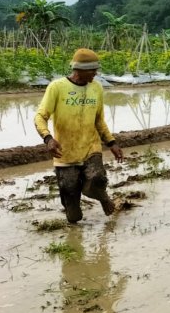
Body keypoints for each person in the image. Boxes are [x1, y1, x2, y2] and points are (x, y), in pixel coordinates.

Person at [34, 48, 123, 223]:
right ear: (79, 70)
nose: (95, 74)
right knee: (73, 212)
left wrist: (111, 142)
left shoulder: (96, 88)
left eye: (96, 69)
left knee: (97, 179)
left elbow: (99, 120)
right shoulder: (57, 87)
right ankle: (74, 223)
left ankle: (103, 197)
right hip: (65, 151)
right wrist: (48, 138)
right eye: (92, 70)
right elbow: (40, 116)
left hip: (91, 146)